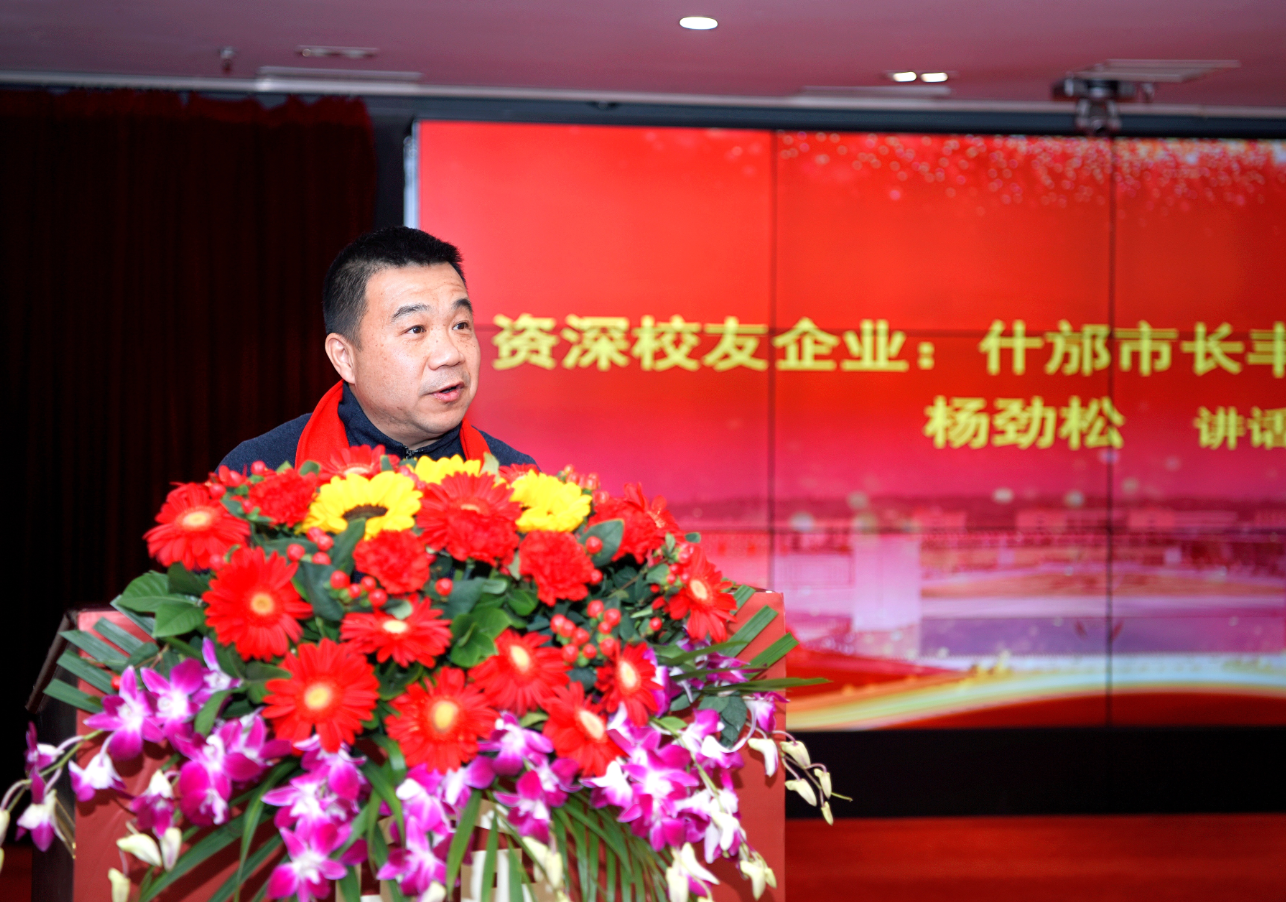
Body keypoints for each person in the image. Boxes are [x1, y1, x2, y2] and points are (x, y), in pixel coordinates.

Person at [220, 227, 536, 472]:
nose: (451, 355)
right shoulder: (262, 473)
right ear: (345, 357)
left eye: (461, 325)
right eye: (416, 329)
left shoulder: (518, 482)